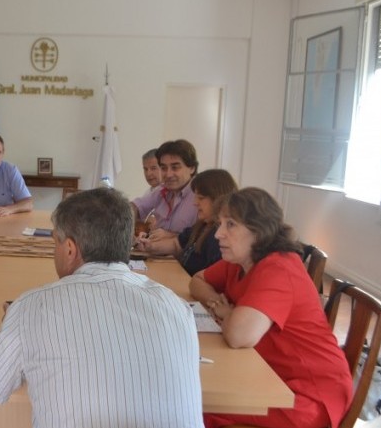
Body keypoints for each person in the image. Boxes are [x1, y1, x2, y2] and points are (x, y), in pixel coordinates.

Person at [0, 188, 203, 428]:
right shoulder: (177, 307)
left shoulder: (33, 307)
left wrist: (12, 325)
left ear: (70, 249)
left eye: (55, 243)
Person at [190, 188, 352, 428]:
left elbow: (238, 335)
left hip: (307, 393)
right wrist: (218, 304)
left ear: (259, 231)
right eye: (220, 223)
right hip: (267, 375)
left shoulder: (279, 267)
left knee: (193, 408)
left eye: (230, 225)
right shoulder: (240, 261)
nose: (218, 234)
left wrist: (228, 313)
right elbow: (197, 281)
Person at [137, 169, 238, 275]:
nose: (195, 203)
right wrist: (150, 246)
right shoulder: (202, 226)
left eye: (201, 198)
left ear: (218, 199)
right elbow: (176, 244)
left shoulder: (219, 237)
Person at [131, 139, 199, 237]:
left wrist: (171, 236)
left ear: (192, 168)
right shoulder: (161, 190)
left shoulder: (200, 194)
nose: (168, 174)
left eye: (175, 168)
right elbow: (136, 206)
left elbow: (204, 238)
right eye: (163, 168)